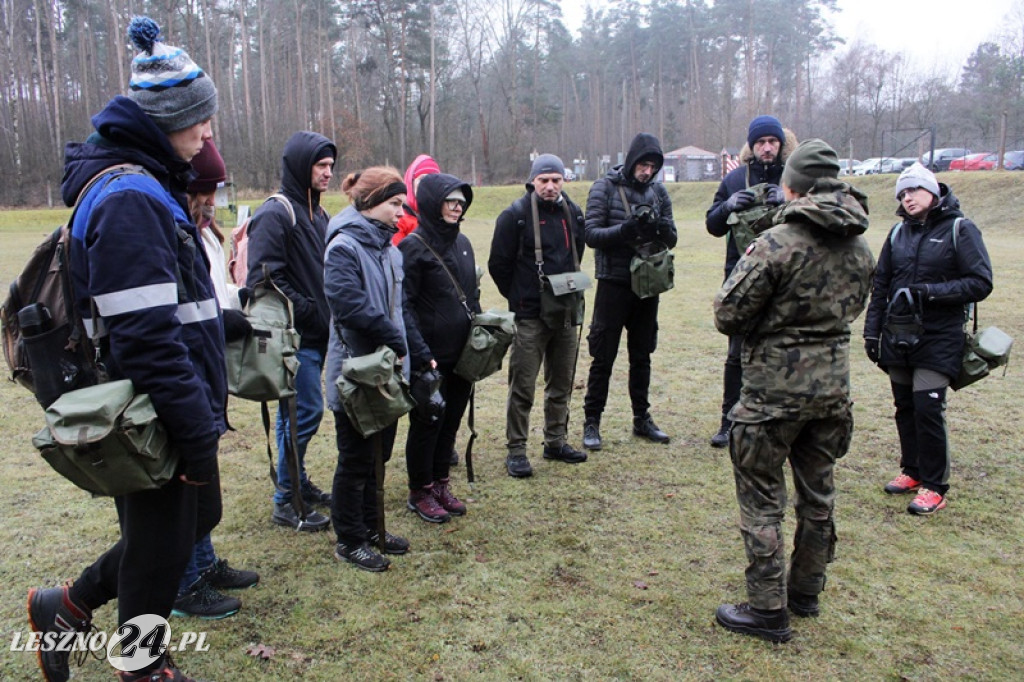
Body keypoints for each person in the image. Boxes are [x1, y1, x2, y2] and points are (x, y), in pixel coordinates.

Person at [27, 17, 225, 680]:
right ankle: (142, 664)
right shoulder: (132, 197)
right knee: (162, 542)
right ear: (168, 120)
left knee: (187, 523)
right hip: (151, 407)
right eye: (199, 121)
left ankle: (69, 606)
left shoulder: (146, 184)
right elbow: (145, 338)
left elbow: (173, 311)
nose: (207, 134)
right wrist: (195, 430)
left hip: (169, 399)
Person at [712, 139, 875, 642]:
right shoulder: (859, 244)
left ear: (793, 186)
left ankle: (767, 609)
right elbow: (852, 307)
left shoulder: (777, 242)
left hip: (772, 394)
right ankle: (806, 591)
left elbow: (728, 313)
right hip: (831, 390)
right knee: (818, 493)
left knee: (762, 499)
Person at [863, 163, 993, 515]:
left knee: (928, 407)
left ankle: (935, 485)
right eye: (902, 193)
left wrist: (928, 293)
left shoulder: (959, 229)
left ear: (933, 192)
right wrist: (872, 333)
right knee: (904, 406)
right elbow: (881, 286)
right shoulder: (896, 234)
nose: (908, 198)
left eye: (914, 190)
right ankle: (913, 471)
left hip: (940, 336)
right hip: (898, 335)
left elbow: (981, 282)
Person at [175, 140, 259, 619]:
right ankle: (185, 583)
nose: (211, 200)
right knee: (187, 483)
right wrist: (220, 321)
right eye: (204, 190)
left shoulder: (204, 233)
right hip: (187, 369)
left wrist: (236, 299)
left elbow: (212, 288)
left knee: (205, 477)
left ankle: (204, 563)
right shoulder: (175, 228)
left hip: (206, 369)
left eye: (215, 190)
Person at [247, 131, 337, 532]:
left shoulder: (319, 214)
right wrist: (309, 311)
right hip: (293, 336)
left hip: (318, 334)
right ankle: (286, 500)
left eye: (331, 166)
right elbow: (264, 277)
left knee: (295, 415)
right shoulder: (276, 213)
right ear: (301, 166)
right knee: (304, 412)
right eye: (321, 166)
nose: (328, 173)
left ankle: (295, 481)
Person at [325, 166, 414, 571]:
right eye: (394, 203)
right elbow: (349, 305)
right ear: (370, 202)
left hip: (387, 372)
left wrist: (415, 352)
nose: (401, 211)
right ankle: (350, 539)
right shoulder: (342, 247)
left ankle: (373, 527)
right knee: (356, 459)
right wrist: (393, 339)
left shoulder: (390, 249)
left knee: (379, 456)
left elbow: (400, 309)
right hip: (356, 374)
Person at [488, 154, 588, 478]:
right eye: (543, 180)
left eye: (555, 180)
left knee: (562, 381)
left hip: (566, 312)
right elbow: (498, 265)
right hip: (530, 316)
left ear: (564, 181)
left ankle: (555, 441)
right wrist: (519, 296)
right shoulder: (514, 216)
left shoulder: (573, 212)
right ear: (532, 181)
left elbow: (579, 253)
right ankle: (516, 450)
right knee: (523, 386)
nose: (549, 186)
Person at [580, 133, 678, 450]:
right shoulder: (604, 187)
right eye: (643, 164)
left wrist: (658, 227)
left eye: (652, 166)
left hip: (648, 285)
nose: (647, 171)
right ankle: (591, 422)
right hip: (614, 283)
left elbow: (672, 236)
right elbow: (591, 234)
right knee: (603, 357)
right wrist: (625, 230)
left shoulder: (659, 192)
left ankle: (642, 419)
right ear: (632, 161)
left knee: (642, 355)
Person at [704, 115, 796, 449]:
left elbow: (814, 218)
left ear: (781, 144)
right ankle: (729, 422)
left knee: (780, 351)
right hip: (741, 277)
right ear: (751, 146)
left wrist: (787, 202)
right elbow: (712, 225)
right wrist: (727, 205)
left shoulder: (793, 178)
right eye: (760, 143)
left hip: (785, 278)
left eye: (772, 142)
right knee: (736, 353)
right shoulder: (733, 179)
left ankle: (777, 423)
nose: (767, 148)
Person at [399, 173, 479, 522]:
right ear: (433, 203)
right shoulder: (412, 247)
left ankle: (441, 484)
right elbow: (403, 306)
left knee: (451, 421)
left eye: (461, 201)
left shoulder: (463, 243)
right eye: (450, 200)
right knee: (427, 420)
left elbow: (470, 295)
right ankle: (420, 491)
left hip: (463, 354)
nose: (457, 206)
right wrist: (419, 353)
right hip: (429, 356)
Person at [393, 154, 440, 246]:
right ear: (411, 182)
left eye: (434, 179)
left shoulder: (441, 218)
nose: (428, 184)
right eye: (422, 179)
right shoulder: (399, 218)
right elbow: (396, 255)